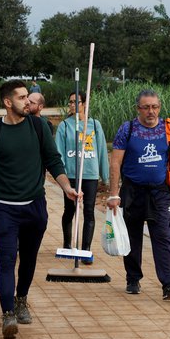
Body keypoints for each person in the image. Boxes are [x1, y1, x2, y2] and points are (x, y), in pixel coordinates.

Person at [0, 80, 77, 339]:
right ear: (8, 103)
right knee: (6, 262)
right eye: (21, 98)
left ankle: (21, 299)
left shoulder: (39, 126)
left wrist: (66, 187)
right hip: (4, 209)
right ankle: (8, 313)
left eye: (28, 97)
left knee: (28, 260)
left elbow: (53, 160)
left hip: (35, 208)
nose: (28, 102)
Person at [107, 89, 170, 301]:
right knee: (132, 236)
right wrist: (113, 194)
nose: (151, 111)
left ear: (159, 107)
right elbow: (115, 162)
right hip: (132, 191)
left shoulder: (168, 129)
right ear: (138, 109)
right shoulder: (128, 128)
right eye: (146, 107)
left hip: (159, 192)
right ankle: (133, 278)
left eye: (155, 107)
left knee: (163, 236)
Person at [55, 92, 109, 263]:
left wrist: (104, 176)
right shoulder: (64, 125)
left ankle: (86, 250)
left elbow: (101, 151)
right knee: (70, 210)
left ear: (84, 103)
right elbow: (59, 152)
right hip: (71, 174)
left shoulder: (94, 124)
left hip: (90, 174)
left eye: (75, 102)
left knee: (89, 211)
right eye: (69, 102)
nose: (71, 105)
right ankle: (67, 243)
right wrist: (61, 175)